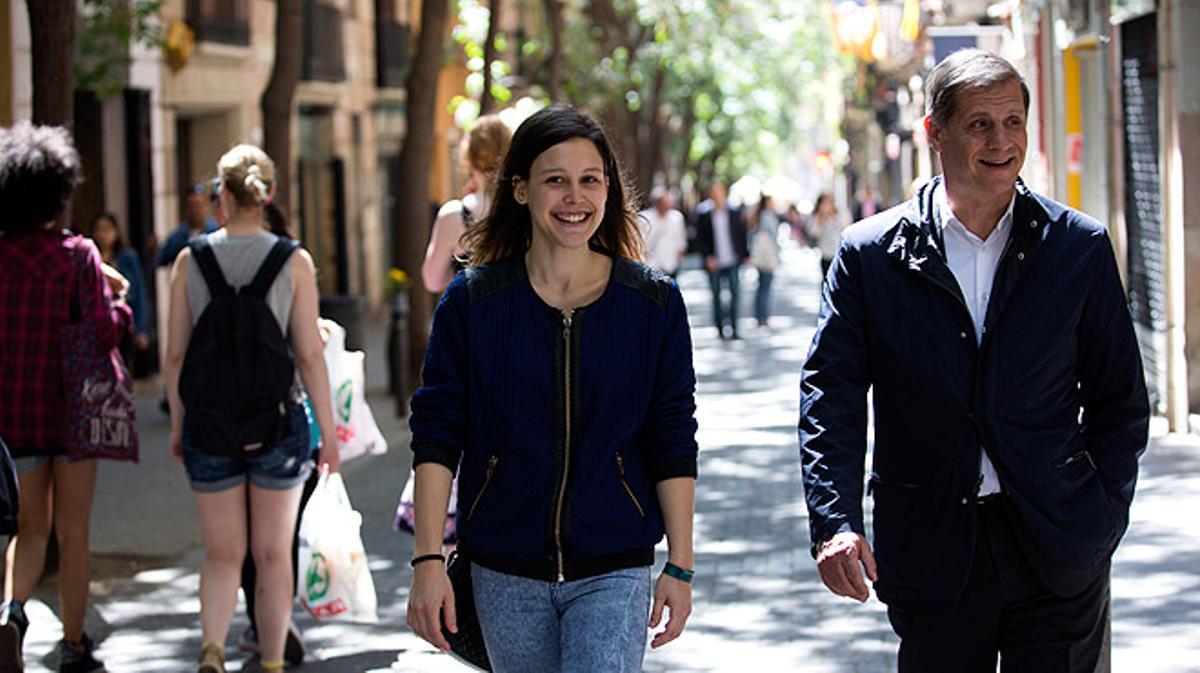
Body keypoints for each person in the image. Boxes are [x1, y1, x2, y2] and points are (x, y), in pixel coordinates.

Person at [798, 49, 1150, 672]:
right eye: (980, 124)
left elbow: (1120, 397)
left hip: (1058, 546)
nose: (1001, 141)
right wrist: (835, 521)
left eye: (1013, 122)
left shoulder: (1078, 248)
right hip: (932, 548)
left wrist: (1102, 515)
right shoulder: (870, 256)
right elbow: (832, 395)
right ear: (935, 132)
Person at [406, 104, 698, 672]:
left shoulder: (653, 304)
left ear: (608, 190)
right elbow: (437, 433)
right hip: (502, 569)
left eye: (590, 180)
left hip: (617, 564)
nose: (575, 198)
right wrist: (426, 561)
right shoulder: (473, 303)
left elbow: (673, 438)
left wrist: (680, 566)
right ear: (519, 189)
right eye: (555, 180)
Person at [164, 144, 340, 673]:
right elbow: (308, 353)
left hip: (209, 428)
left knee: (221, 554)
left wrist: (179, 425)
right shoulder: (293, 260)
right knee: (270, 555)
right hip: (278, 426)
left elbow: (175, 353)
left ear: (221, 193)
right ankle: (270, 662)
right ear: (270, 194)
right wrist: (327, 433)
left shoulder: (189, 259)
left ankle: (212, 650)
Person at [0, 121, 132, 673]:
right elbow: (104, 332)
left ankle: (10, 616)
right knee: (72, 532)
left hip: (15, 414)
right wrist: (120, 298)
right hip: (74, 416)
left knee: (29, 530)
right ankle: (74, 646)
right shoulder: (78, 257)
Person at [421, 114, 512, 294]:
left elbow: (433, 281)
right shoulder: (529, 208)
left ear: (469, 159)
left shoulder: (455, 214)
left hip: (475, 319)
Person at [83, 212, 152, 373]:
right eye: (99, 229)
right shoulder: (88, 259)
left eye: (107, 229)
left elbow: (139, 293)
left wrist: (141, 328)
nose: (103, 234)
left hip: (122, 324)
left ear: (116, 232)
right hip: (97, 326)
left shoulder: (127, 258)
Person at [694, 182, 748, 339]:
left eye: (720, 192)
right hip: (713, 262)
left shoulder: (734, 212)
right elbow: (700, 239)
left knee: (735, 295)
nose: (717, 195)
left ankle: (734, 328)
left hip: (732, 260)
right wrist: (707, 257)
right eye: (714, 192)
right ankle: (720, 329)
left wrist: (744, 255)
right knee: (716, 296)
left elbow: (741, 235)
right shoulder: (704, 214)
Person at [157, 183, 220, 269]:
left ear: (206, 207)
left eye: (198, 206)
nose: (194, 211)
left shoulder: (216, 232)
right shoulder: (177, 236)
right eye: (191, 206)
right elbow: (161, 259)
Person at [747, 193, 781, 328]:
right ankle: (763, 317)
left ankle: (759, 315)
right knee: (765, 287)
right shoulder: (768, 216)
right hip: (767, 255)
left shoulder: (758, 216)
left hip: (760, 256)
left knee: (761, 286)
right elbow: (773, 236)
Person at [639, 186, 688, 278]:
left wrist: (679, 257)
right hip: (652, 264)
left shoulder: (676, 218)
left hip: (671, 263)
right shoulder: (645, 219)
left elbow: (681, 239)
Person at [809, 192, 842, 279]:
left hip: (838, 252)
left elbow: (845, 228)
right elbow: (814, 234)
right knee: (827, 279)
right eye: (824, 203)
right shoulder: (818, 218)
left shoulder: (838, 216)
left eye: (829, 202)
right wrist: (821, 219)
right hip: (826, 254)